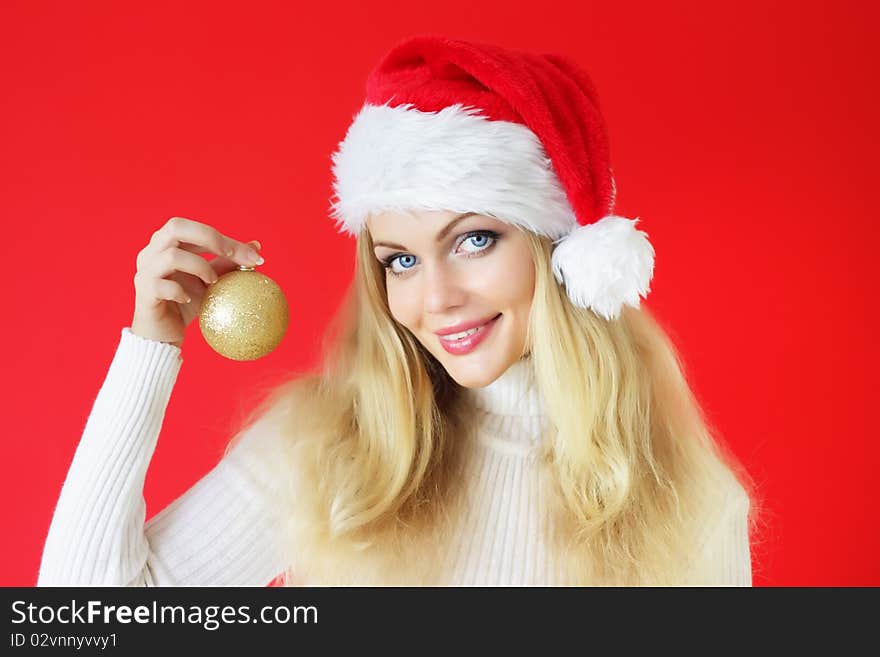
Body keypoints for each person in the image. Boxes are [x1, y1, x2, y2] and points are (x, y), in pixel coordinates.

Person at [37, 35, 756, 587]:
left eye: (475, 239)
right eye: (400, 259)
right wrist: (148, 348)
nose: (434, 298)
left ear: (561, 246)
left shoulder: (684, 500)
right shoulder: (332, 452)